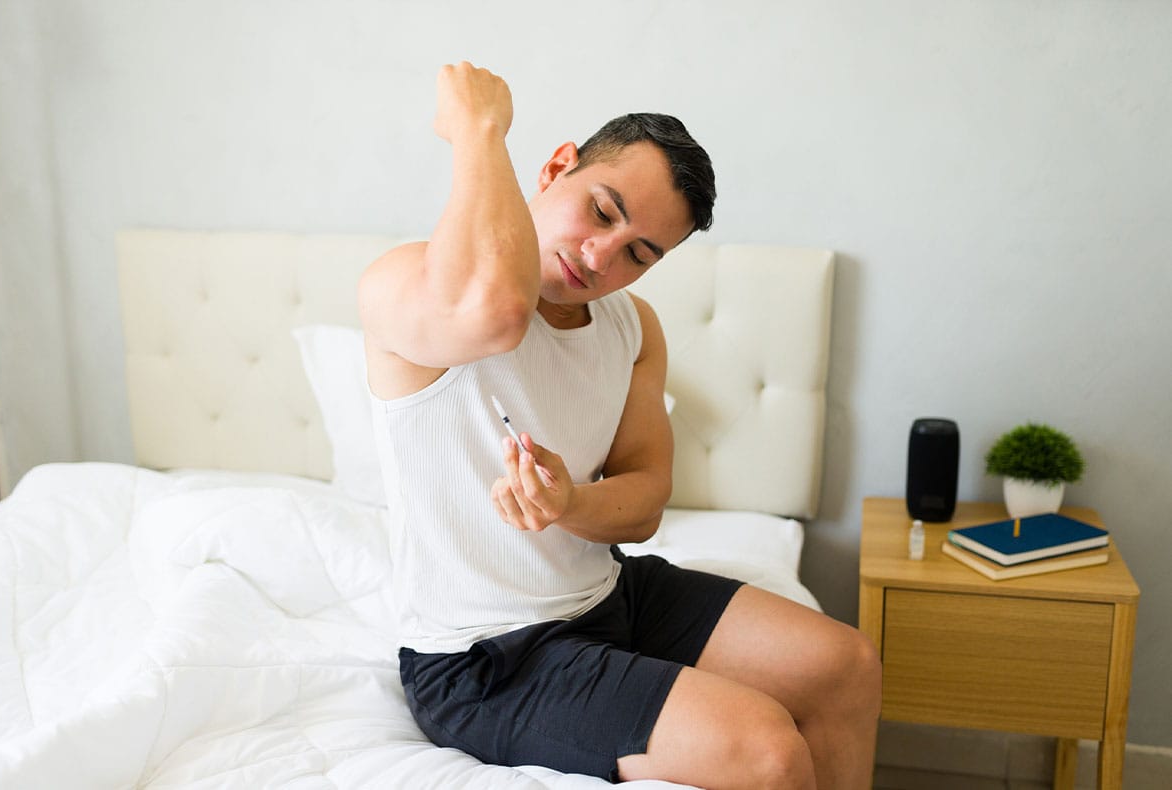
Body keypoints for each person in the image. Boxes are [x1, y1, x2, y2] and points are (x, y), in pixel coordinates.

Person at [358, 61, 881, 789]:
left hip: (606, 596)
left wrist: (569, 504)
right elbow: (496, 315)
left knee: (844, 665)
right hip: (483, 658)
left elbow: (644, 500)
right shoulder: (404, 281)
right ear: (555, 167)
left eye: (640, 252)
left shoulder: (631, 328)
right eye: (601, 212)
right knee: (768, 751)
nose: (603, 257)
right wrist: (479, 132)